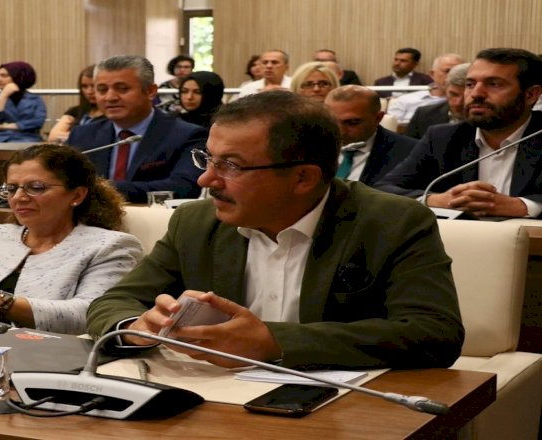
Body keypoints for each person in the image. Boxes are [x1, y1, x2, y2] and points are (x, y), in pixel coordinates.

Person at [86, 90, 464, 370]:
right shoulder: (195, 222)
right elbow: (113, 302)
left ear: (303, 178)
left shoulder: (392, 222)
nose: (205, 179)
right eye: (208, 159)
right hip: (216, 398)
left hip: (341, 406)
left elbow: (433, 334)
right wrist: (136, 327)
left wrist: (274, 341)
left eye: (231, 165)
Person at [0, 144, 142, 335]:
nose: (18, 198)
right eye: (11, 189)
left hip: (46, 355)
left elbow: (93, 316)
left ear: (77, 195)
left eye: (36, 187)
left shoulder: (110, 246)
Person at [375, 48, 542, 219]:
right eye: (470, 84)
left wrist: (524, 206)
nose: (476, 94)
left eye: (494, 84)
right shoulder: (442, 138)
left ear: (530, 95)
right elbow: (383, 189)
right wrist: (436, 200)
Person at [67, 55, 208, 203]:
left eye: (122, 89)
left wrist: (103, 189)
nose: (110, 97)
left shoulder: (187, 135)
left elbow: (184, 187)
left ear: (150, 91)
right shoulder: (82, 134)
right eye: (102, 90)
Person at [324, 85, 416, 185]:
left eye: (352, 122)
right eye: (332, 121)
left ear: (378, 118)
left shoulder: (410, 152)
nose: (340, 131)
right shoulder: (313, 145)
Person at [0, 61, 46, 147]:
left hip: (26, 139)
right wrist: (3, 95)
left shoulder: (35, 99)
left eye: (4, 76)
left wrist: (4, 127)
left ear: (17, 77)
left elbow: (37, 122)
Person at [386, 54, 465, 125]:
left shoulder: (468, 102)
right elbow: (390, 129)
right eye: (448, 71)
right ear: (432, 74)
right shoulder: (405, 100)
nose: (453, 76)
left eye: (458, 72)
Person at [405, 62, 470, 139]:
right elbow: (411, 146)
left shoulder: (482, 119)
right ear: (445, 89)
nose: (458, 103)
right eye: (453, 94)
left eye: (466, 96)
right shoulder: (424, 115)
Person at [47, 65, 105, 143]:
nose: (89, 91)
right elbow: (53, 136)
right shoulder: (75, 111)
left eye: (93, 86)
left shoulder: (110, 114)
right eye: (84, 86)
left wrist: (69, 136)